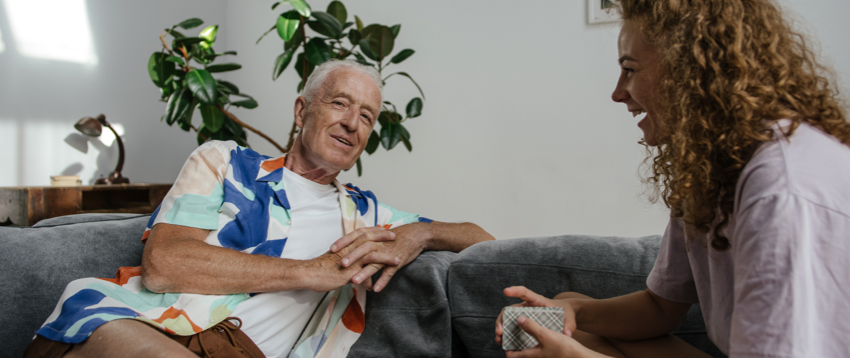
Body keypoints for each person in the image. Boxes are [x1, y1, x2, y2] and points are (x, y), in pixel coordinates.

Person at [26, 59, 494, 358]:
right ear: (301, 111)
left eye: (367, 116)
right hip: (140, 324)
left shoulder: (366, 216)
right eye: (340, 104)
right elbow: (165, 265)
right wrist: (311, 271)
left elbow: (483, 240)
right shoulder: (224, 162)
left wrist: (423, 234)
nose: (353, 123)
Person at [495, 0, 850, 357]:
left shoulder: (780, 189)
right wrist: (572, 312)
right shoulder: (713, 168)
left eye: (630, 70)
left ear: (692, 71)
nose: (618, 93)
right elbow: (660, 308)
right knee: (569, 307)